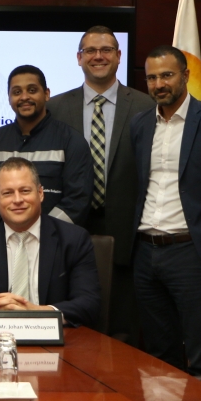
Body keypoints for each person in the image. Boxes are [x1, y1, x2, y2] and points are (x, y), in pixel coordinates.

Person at [130, 45, 201, 377]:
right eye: (151, 78)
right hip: (145, 254)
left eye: (166, 75)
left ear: (186, 76)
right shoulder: (139, 124)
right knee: (159, 357)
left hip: (192, 253)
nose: (159, 84)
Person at [47, 26, 154, 344]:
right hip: (69, 226)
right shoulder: (56, 108)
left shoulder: (146, 106)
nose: (98, 56)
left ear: (119, 56)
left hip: (127, 234)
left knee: (123, 329)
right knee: (73, 326)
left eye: (106, 50)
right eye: (90, 51)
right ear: (78, 58)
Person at [0, 157, 100, 330]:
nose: (17, 200)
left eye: (25, 191)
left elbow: (89, 304)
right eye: (8, 193)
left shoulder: (74, 239)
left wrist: (37, 312)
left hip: (55, 340)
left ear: (40, 193)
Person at [0, 65, 92, 226]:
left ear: (46, 94)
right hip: (1, 238)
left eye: (32, 90)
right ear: (9, 98)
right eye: (17, 92)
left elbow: (77, 201)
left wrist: (43, 232)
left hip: (54, 238)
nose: (24, 97)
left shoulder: (70, 141)